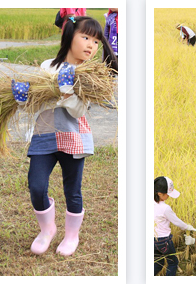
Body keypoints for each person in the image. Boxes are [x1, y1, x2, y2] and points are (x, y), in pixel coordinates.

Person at [10, 16, 118, 256]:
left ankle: (71, 235)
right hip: (44, 135)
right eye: (86, 37)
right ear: (70, 36)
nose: (91, 45)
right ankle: (47, 230)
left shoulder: (90, 74)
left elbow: (80, 111)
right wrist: (21, 100)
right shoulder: (49, 66)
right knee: (36, 186)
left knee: (73, 190)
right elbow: (36, 104)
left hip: (74, 137)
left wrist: (67, 92)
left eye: (97, 41)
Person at [154, 176, 196, 276]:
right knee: (173, 263)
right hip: (164, 241)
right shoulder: (165, 208)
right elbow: (176, 221)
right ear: (160, 194)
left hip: (152, 240)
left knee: (158, 263)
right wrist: (187, 227)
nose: (169, 196)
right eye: (167, 194)